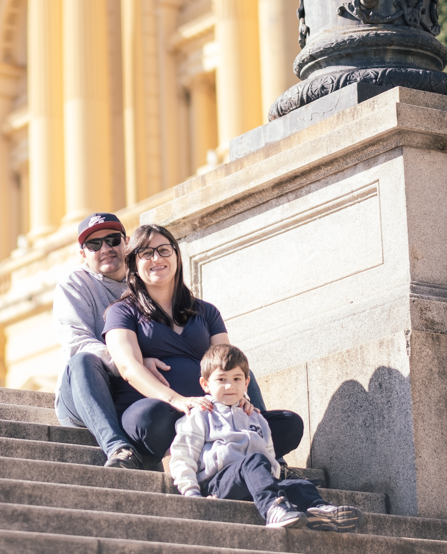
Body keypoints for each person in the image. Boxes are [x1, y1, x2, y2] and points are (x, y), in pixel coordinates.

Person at [103, 223, 303, 461]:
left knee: (289, 423)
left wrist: (240, 399)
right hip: (158, 411)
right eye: (146, 253)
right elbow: (128, 368)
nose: (156, 258)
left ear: (177, 256)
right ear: (134, 263)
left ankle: (218, 449)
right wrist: (178, 400)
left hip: (211, 413)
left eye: (164, 250)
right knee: (149, 418)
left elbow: (228, 362)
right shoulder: (122, 312)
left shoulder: (207, 312)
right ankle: (223, 451)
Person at [169, 344, 361, 532]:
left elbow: (269, 455)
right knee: (254, 461)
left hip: (254, 481)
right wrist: (192, 492)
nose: (230, 386)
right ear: (205, 384)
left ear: (246, 383)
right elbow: (182, 455)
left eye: (237, 379)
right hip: (217, 483)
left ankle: (318, 510)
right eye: (221, 379)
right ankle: (272, 509)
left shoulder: (256, 417)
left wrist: (274, 479)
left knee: (300, 484)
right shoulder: (201, 414)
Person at [53, 212, 158, 469]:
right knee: (82, 360)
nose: (106, 249)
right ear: (83, 253)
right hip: (88, 390)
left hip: (136, 389)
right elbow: (77, 341)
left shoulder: (147, 278)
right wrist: (134, 365)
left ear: (126, 242)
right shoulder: (74, 283)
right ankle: (118, 448)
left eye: (112, 239)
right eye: (94, 244)